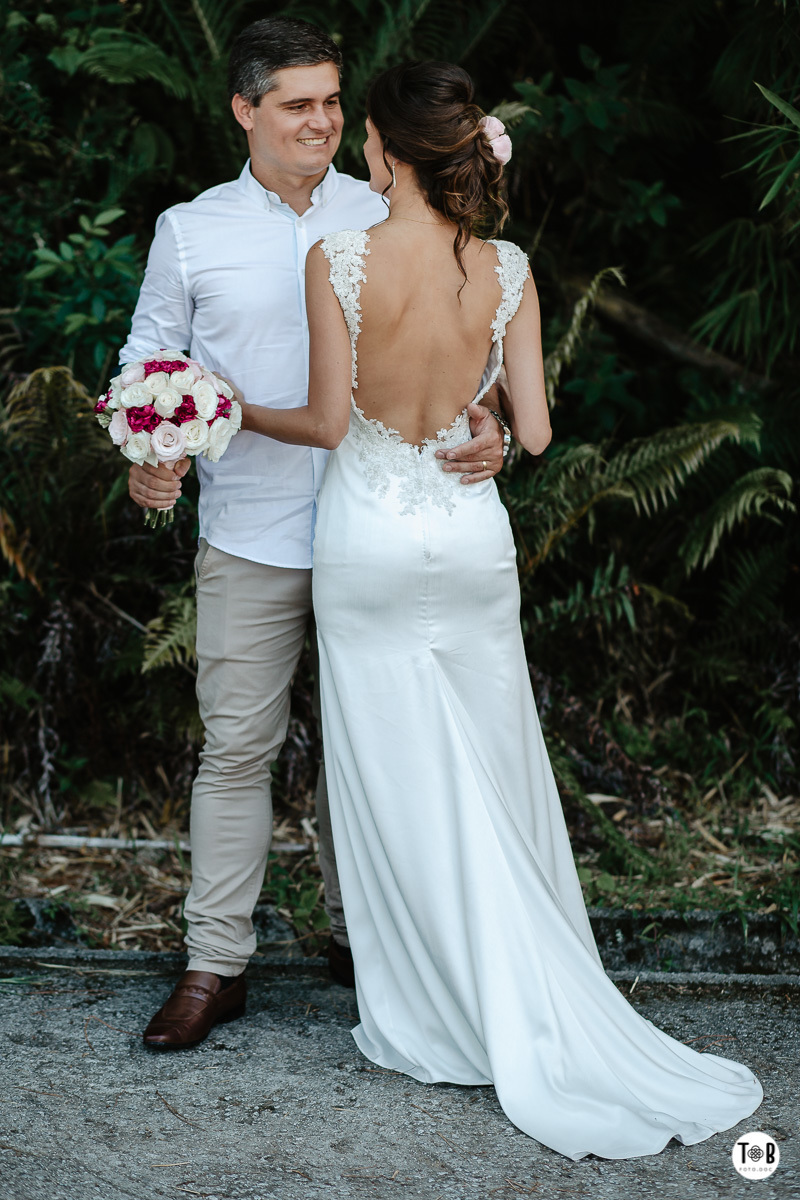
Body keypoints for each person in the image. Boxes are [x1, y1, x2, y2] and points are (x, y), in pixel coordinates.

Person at [234, 61, 764, 1160]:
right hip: (470, 540)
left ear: (382, 146)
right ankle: (523, 983)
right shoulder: (509, 267)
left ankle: (430, 1011)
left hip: (369, 540)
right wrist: (472, 417)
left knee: (391, 773)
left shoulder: (334, 257)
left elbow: (331, 425)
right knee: (489, 760)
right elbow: (527, 435)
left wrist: (231, 409)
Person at [121, 20, 507, 1050]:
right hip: (248, 530)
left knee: (374, 745)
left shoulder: (388, 203)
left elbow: (472, 332)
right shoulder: (190, 231)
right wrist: (145, 448)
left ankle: (367, 941)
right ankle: (214, 963)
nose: (323, 121)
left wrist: (494, 421)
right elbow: (149, 360)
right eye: (296, 103)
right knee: (236, 749)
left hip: (377, 532)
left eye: (332, 101)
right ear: (243, 110)